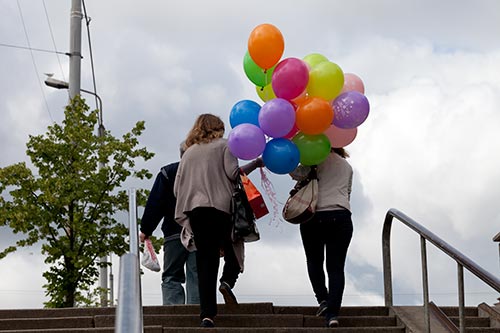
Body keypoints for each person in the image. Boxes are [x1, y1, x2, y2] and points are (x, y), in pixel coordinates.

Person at [174, 114, 263, 328]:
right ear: (217, 129)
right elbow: (233, 174)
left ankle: (207, 314)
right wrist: (256, 163)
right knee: (233, 244)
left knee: (205, 261)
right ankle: (227, 280)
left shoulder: (188, 153)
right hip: (220, 208)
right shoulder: (225, 146)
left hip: (195, 211)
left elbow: (178, 187)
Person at [290, 147, 353, 328]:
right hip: (341, 215)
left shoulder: (313, 159)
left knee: (314, 261)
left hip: (313, 215)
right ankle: (333, 314)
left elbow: (296, 173)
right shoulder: (346, 166)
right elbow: (348, 192)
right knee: (336, 268)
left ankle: (323, 301)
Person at [139, 142, 200, 305]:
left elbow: (155, 203)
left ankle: (174, 313)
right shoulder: (205, 173)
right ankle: (197, 313)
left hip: (174, 231)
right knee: (198, 275)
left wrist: (146, 228)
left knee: (172, 275)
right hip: (200, 232)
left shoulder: (168, 172)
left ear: (181, 154)